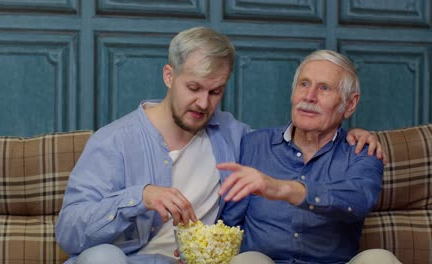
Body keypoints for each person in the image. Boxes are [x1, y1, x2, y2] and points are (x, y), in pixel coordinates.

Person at [55, 27, 384, 264]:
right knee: (102, 257)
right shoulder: (114, 140)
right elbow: (68, 233)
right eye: (194, 87)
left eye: (215, 92)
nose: (202, 103)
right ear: (169, 76)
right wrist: (140, 197)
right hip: (127, 260)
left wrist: (355, 133)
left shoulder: (234, 136)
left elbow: (342, 181)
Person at [218, 50, 401, 264]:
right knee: (247, 261)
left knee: (380, 259)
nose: (309, 96)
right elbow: (230, 223)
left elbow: (358, 200)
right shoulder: (253, 144)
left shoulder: (363, 151)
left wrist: (285, 189)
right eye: (304, 84)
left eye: (324, 88)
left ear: (350, 104)